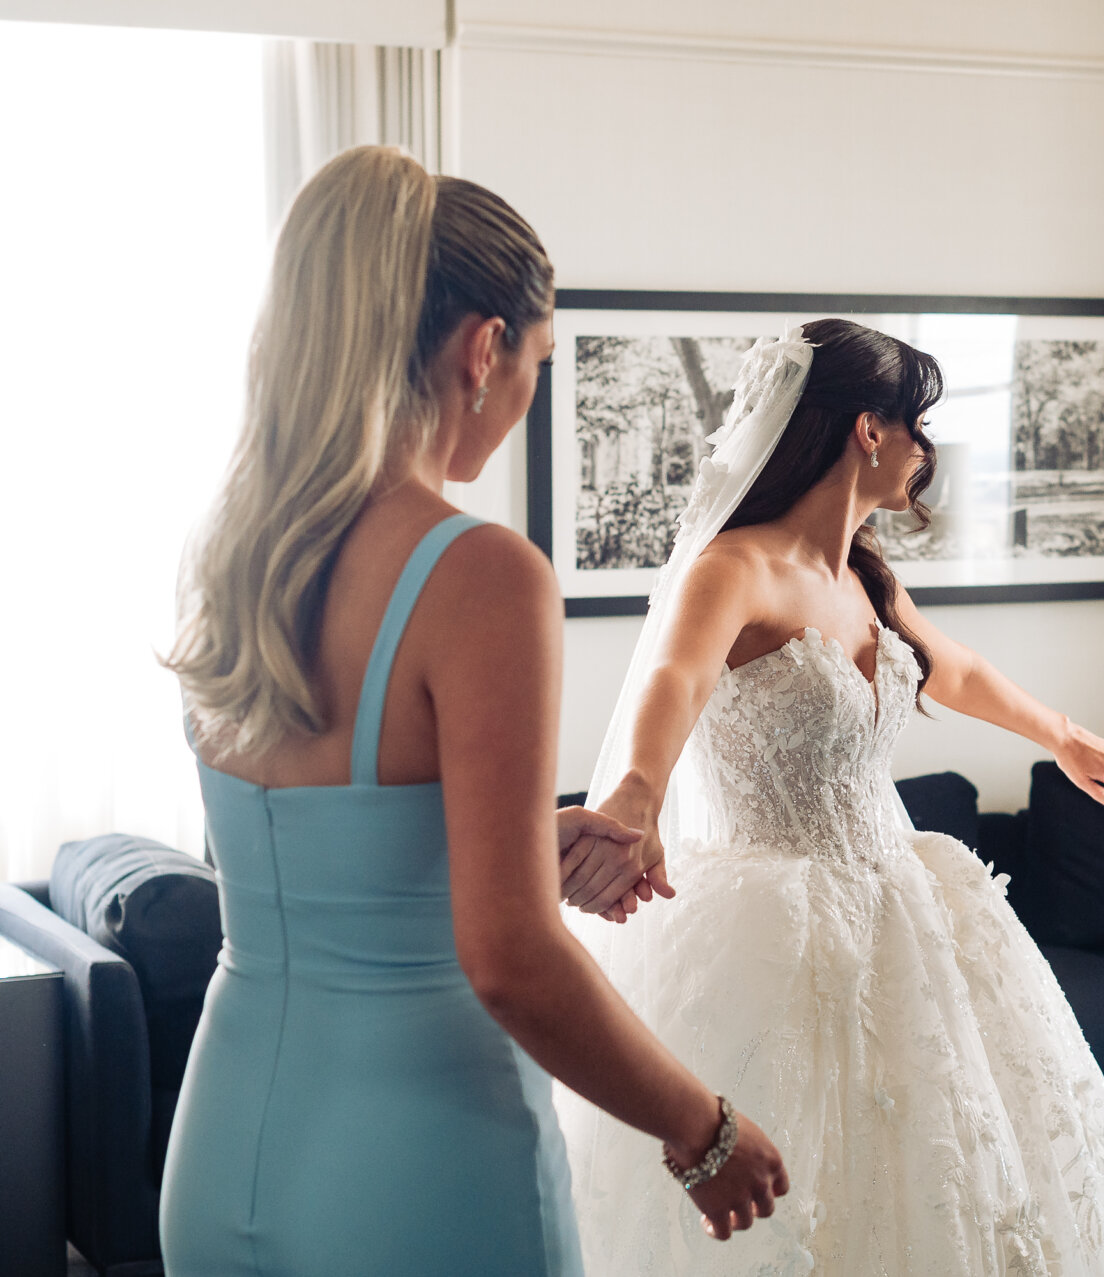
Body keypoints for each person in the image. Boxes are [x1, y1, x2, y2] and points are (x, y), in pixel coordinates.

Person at [159, 146, 785, 1276]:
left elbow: (294, 857)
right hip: (416, 1155)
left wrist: (502, 839)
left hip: (225, 1139)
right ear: (483, 348)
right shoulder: (480, 571)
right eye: (538, 360)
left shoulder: (231, 551)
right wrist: (705, 1129)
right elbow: (509, 959)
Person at [553, 318, 1104, 1276]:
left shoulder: (865, 577)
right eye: (918, 424)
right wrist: (637, 794)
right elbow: (669, 684)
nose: (930, 449)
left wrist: (1061, 734)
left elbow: (948, 669)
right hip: (775, 922)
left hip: (906, 902)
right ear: (868, 430)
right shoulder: (733, 566)